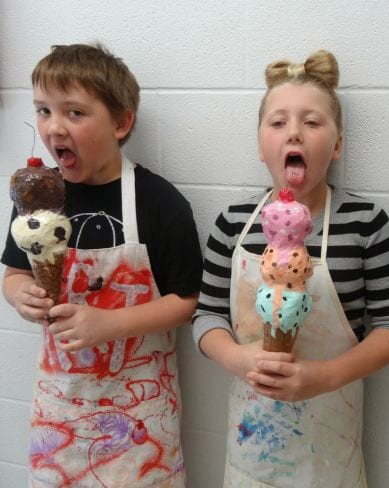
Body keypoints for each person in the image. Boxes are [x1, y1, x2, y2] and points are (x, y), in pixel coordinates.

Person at [193, 49, 389, 487]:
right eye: (278, 123)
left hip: (331, 440)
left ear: (336, 146)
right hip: (251, 443)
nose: (294, 132)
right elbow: (207, 317)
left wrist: (325, 376)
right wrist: (238, 357)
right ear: (260, 145)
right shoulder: (233, 223)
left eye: (312, 122)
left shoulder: (366, 224)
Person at [1, 43, 203, 487]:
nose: (53, 127)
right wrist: (21, 295)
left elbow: (185, 302)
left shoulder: (159, 202)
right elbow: (13, 274)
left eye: (74, 112)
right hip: (60, 414)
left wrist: (109, 324)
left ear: (121, 122)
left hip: (139, 422)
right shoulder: (34, 199)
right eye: (43, 110)